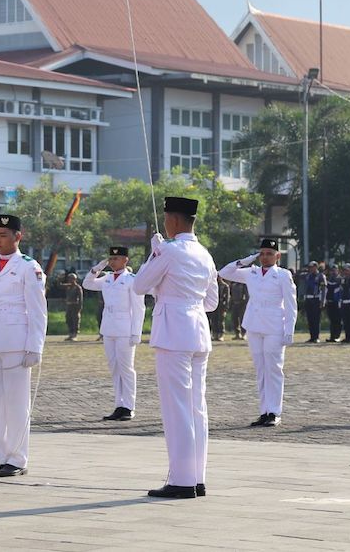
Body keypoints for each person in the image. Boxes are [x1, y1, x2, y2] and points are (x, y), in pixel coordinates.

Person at [133, 197, 219, 499]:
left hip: (173, 333)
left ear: (175, 221)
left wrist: (154, 254)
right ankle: (197, 477)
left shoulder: (168, 251)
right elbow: (212, 302)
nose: (166, 222)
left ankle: (181, 480)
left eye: (167, 217)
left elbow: (139, 285)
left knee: (177, 408)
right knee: (197, 406)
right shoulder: (205, 254)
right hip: (198, 331)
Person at [0, 214, 47, 478]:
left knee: (17, 403)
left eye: (3, 235)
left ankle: (17, 458)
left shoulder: (29, 267)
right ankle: (0, 456)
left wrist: (35, 346)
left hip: (18, 340)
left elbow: (38, 309)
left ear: (18, 236)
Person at [219, 238, 297, 427]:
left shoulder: (283, 275)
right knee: (261, 370)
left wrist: (289, 330)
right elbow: (224, 272)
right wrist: (247, 259)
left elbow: (291, 304)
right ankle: (264, 411)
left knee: (274, 370)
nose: (265, 257)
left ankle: (274, 412)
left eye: (269, 253)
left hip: (274, 327)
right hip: (254, 325)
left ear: (277, 256)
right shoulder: (251, 273)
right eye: (262, 253)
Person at [83, 246, 146, 421]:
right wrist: (97, 268)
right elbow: (87, 284)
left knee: (126, 368)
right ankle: (119, 404)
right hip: (109, 328)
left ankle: (129, 407)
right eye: (110, 259)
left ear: (125, 260)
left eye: (116, 259)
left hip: (125, 329)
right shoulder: (107, 278)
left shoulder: (132, 280)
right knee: (114, 368)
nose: (112, 262)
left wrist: (136, 333)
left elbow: (139, 308)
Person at [301, 261, 325, 343]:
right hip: (309, 299)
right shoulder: (308, 276)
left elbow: (324, 290)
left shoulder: (320, 276)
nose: (310, 268)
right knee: (310, 319)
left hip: (316, 299)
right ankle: (312, 336)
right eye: (310, 267)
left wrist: (322, 301)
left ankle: (316, 337)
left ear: (316, 267)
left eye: (312, 267)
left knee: (316, 319)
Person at [62, 272, 83, 342]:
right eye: (69, 279)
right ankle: (70, 334)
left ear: (75, 279)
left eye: (72, 279)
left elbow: (80, 299)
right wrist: (60, 279)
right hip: (69, 306)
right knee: (68, 319)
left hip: (75, 306)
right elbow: (59, 286)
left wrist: (79, 308)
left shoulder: (78, 288)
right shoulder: (68, 287)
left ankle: (75, 335)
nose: (70, 280)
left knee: (75, 320)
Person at [208, 277, 230, 342]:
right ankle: (214, 334)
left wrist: (225, 308)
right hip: (214, 305)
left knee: (220, 321)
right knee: (214, 320)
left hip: (221, 305)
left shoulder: (225, 286)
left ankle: (221, 335)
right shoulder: (213, 286)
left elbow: (227, 298)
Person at [324, 267, 343, 342]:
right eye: (332, 270)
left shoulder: (340, 279)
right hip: (330, 301)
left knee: (338, 320)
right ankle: (332, 336)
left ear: (338, 271)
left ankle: (337, 336)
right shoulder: (329, 279)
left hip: (337, 302)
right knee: (332, 320)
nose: (333, 272)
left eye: (334, 270)